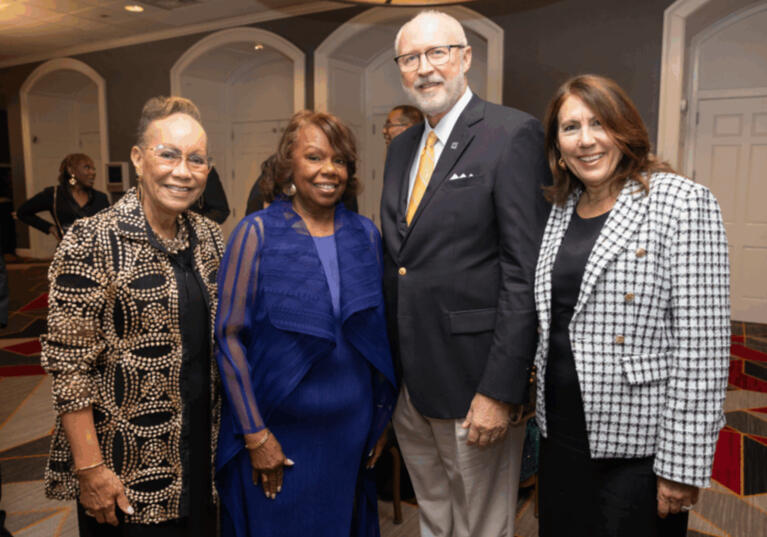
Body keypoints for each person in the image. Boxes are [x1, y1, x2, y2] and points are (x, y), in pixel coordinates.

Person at [534, 74, 730, 537]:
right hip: (559, 430)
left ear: (625, 129)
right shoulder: (561, 207)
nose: (586, 140)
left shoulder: (681, 202)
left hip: (638, 443)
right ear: (557, 146)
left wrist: (682, 463)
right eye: (570, 128)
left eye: (598, 123)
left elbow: (703, 349)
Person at [380, 10, 551, 537]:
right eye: (411, 58)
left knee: (481, 525)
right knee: (434, 512)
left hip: (474, 382)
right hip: (410, 382)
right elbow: (402, 259)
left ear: (466, 57)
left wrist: (500, 389)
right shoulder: (402, 147)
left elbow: (525, 272)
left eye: (438, 53)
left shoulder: (511, 133)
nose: (425, 68)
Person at [40, 96, 223, 536]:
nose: (183, 171)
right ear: (138, 159)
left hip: (203, 456)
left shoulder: (210, 238)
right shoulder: (91, 240)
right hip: (124, 469)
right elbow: (69, 367)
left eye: (196, 159)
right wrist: (90, 470)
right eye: (169, 155)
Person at [215, 110, 396, 537]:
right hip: (278, 431)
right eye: (314, 157)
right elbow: (229, 338)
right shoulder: (255, 234)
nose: (329, 169)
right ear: (288, 166)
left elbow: (378, 337)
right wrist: (255, 434)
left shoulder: (365, 235)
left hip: (351, 432)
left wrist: (381, 419)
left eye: (339, 159)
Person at [17, 153, 109, 241]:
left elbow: (109, 227)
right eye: (87, 167)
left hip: (97, 251)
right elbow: (22, 212)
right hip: (67, 251)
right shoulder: (54, 194)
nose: (93, 172)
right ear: (71, 170)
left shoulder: (100, 198)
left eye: (93, 169)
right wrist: (50, 228)